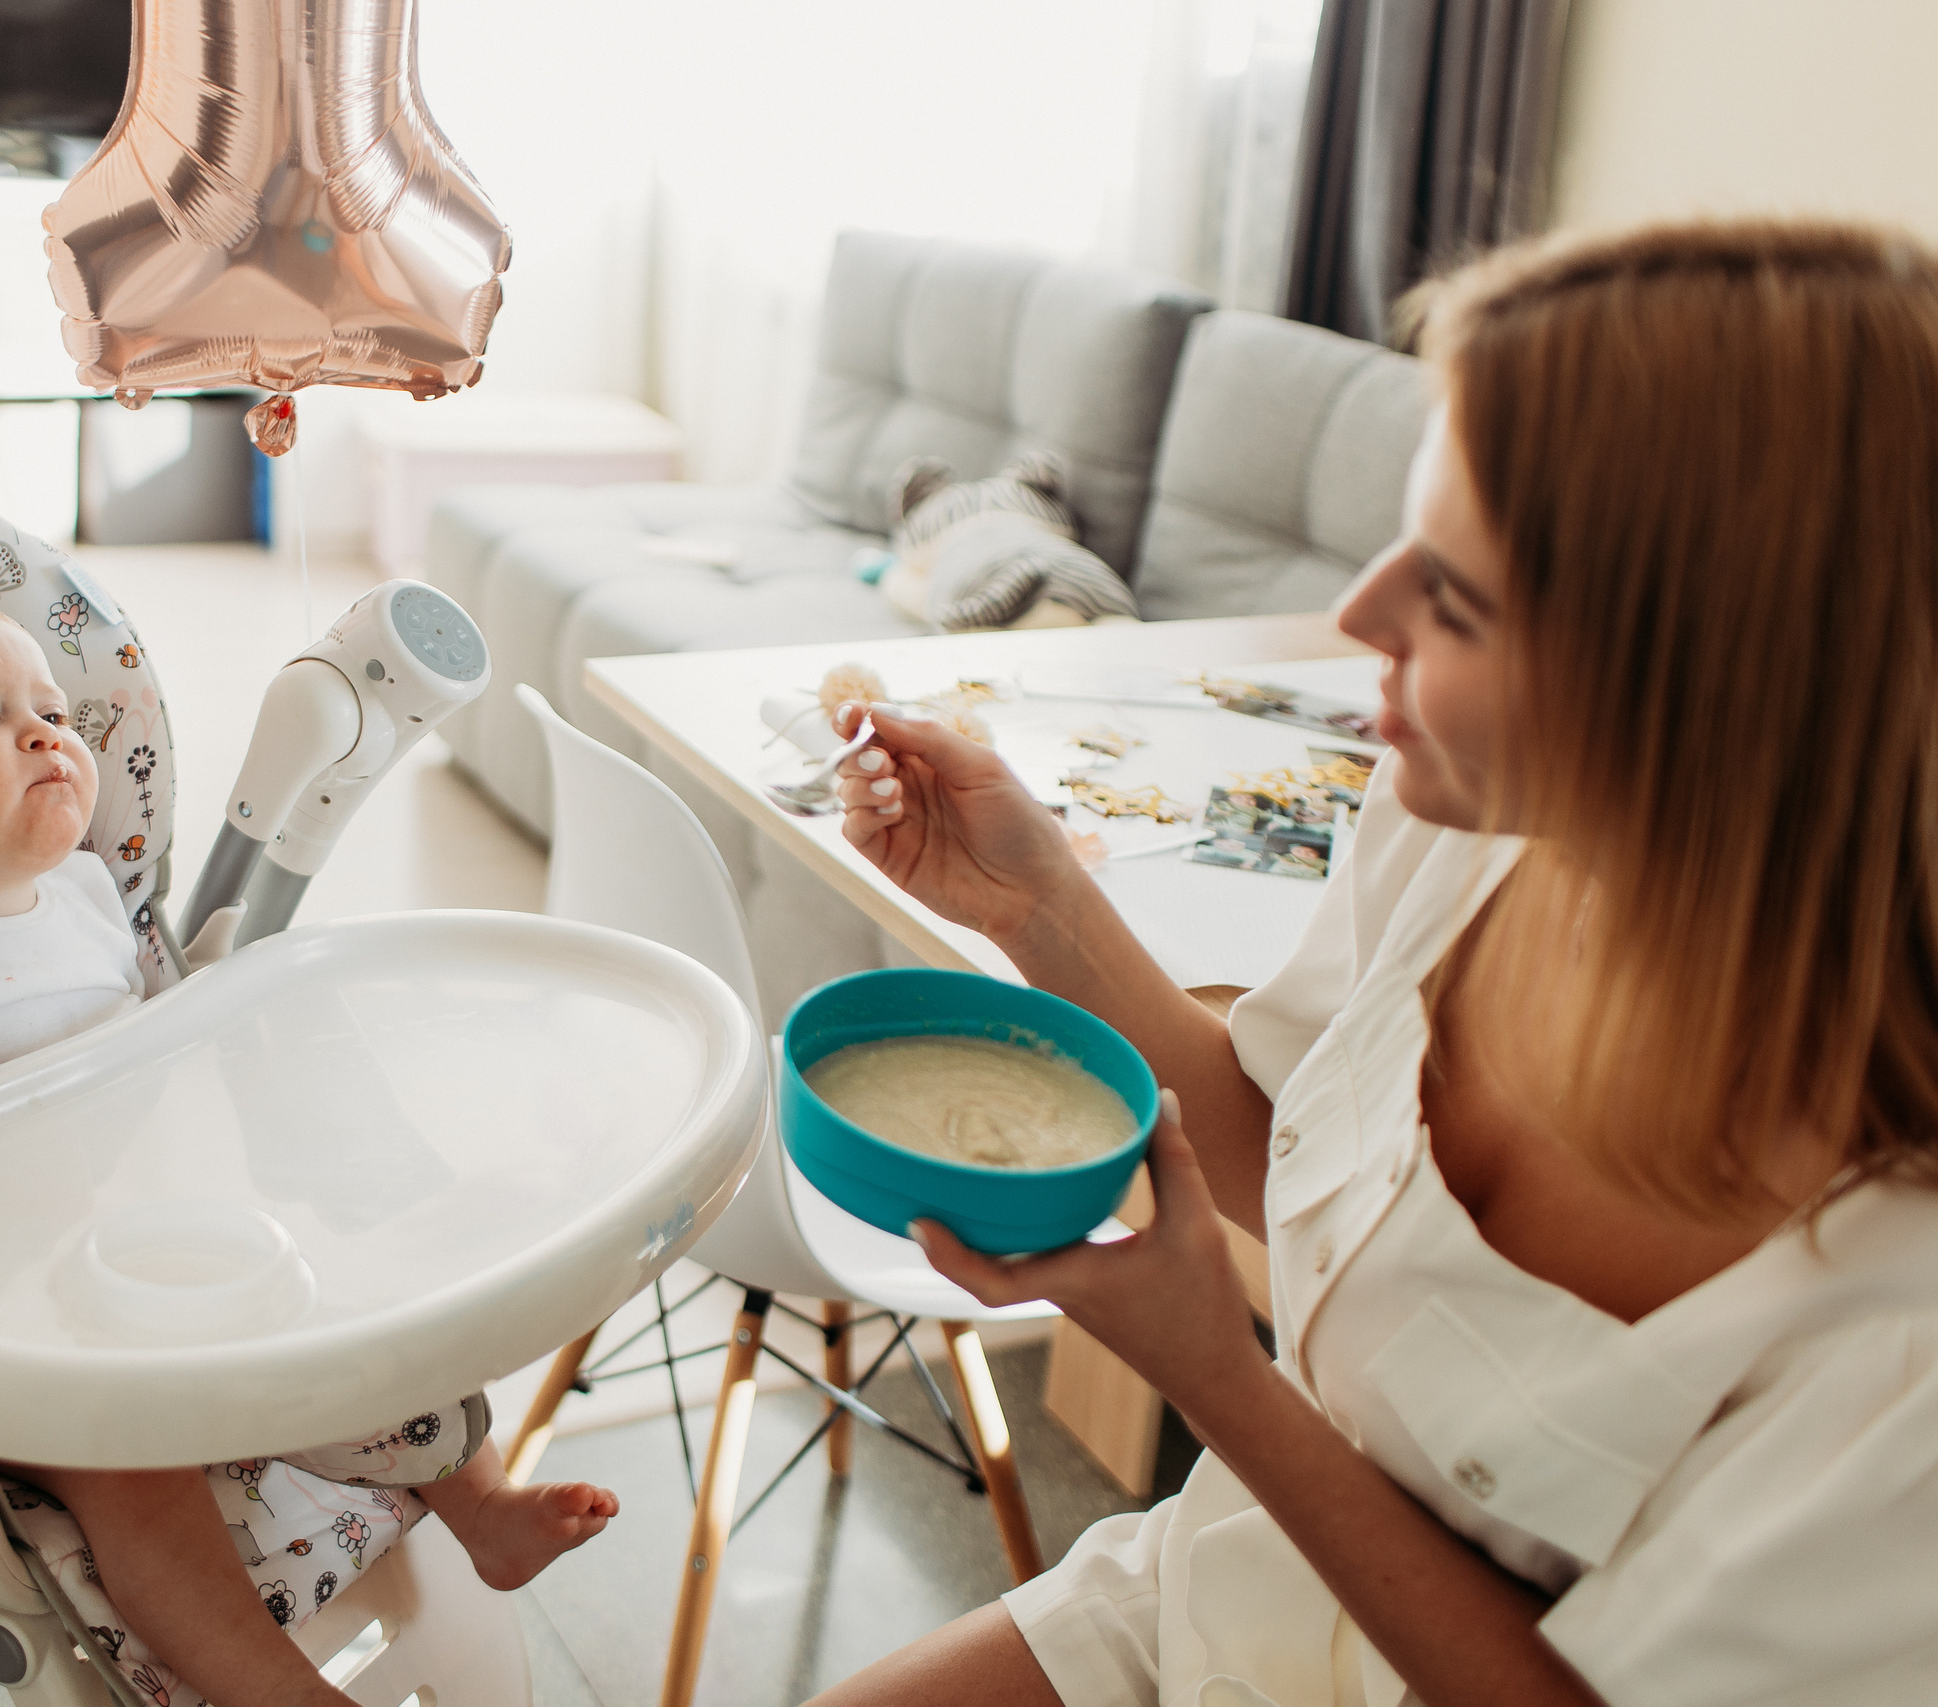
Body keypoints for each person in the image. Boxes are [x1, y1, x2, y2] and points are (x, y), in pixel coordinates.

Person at [812, 221, 1938, 1706]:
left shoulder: (1900, 1317)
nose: (1358, 614)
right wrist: (1036, 906)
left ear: (1707, 692)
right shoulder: (1461, 832)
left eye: (1454, 597)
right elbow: (1280, 1137)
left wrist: (1220, 1378)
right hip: (1237, 1581)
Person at [0, 599, 618, 1707]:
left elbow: (165, 1050)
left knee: (369, 1311)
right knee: (132, 1478)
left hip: (176, 1236)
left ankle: (485, 1509)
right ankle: (277, 1690)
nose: (42, 734)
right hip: (20, 1315)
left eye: (52, 711)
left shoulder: (84, 893)